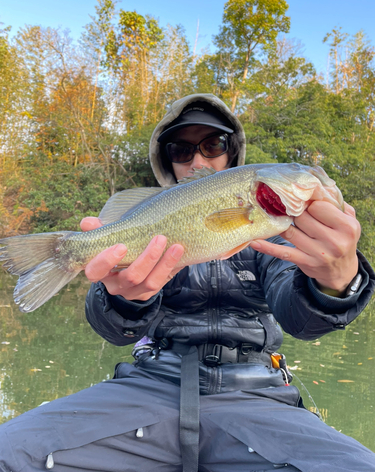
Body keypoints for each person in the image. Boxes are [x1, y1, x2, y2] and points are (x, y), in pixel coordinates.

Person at [1, 93, 375, 472]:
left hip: (256, 394)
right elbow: (112, 328)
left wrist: (336, 283)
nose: (198, 159)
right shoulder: (151, 213)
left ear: (232, 152)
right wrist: (125, 301)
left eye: (213, 144)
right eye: (181, 149)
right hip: (151, 382)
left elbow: (301, 321)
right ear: (167, 158)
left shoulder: (279, 235)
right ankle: (65, 251)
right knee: (8, 453)